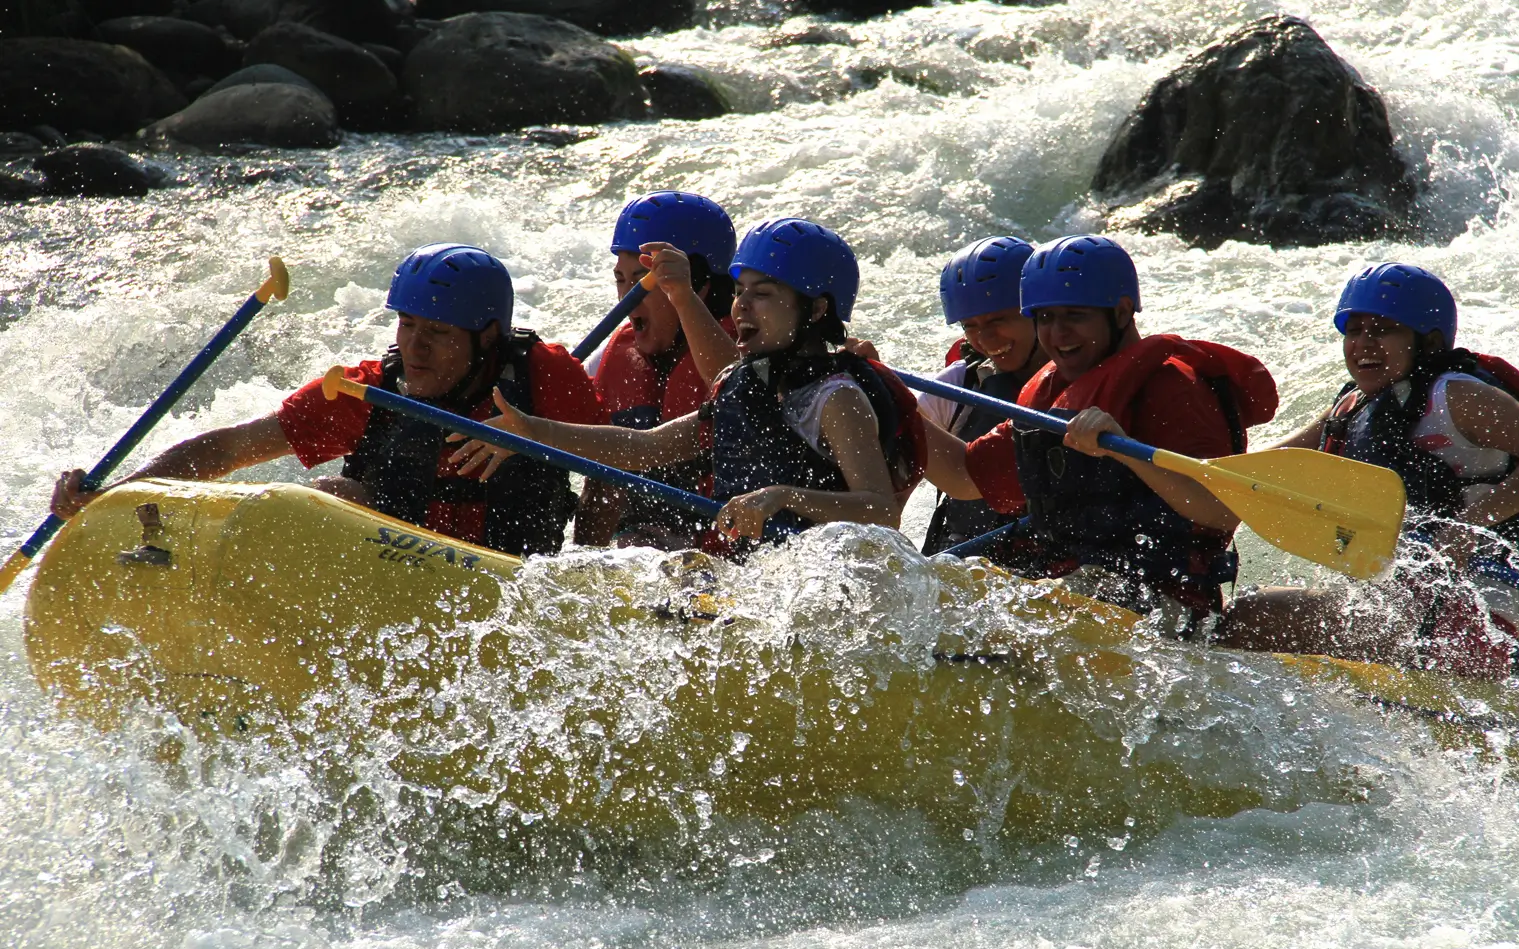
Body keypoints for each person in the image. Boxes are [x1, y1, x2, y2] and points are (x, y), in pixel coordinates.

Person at [52, 244, 607, 557]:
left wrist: (590, 565)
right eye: (407, 325)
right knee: (329, 497)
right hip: (394, 570)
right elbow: (228, 449)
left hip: (510, 577)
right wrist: (116, 495)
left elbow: (610, 471)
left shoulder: (544, 376)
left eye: (438, 333)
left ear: (486, 337)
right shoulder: (366, 388)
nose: (415, 348)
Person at [449, 217, 924, 550]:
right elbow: (644, 447)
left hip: (826, 585)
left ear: (816, 310)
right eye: (739, 291)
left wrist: (781, 496)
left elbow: (881, 511)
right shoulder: (741, 385)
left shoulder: (837, 398)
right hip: (761, 577)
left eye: (762, 294)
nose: (742, 306)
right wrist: (532, 431)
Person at [1213, 263, 1519, 677]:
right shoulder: (1351, 407)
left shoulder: (1455, 395)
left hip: (1472, 610)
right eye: (1354, 331)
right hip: (1391, 603)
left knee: (1252, 615)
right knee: (1243, 617)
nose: (1363, 344)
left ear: (1428, 342)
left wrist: (1469, 526)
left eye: (1382, 330)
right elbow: (1256, 471)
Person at [919, 234, 1278, 631]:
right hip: (1076, 587)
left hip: (1166, 602)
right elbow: (964, 477)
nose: (1058, 334)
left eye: (1075, 315)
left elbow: (1223, 510)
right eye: (1045, 318)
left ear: (1121, 312)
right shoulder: (1054, 391)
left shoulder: (1175, 387)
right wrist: (882, 392)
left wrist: (1125, 449)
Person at [575, 190, 739, 549]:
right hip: (637, 554)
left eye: (642, 282)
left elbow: (738, 389)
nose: (626, 298)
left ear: (700, 286)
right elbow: (599, 483)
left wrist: (682, 296)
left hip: (719, 559)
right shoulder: (609, 357)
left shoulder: (753, 356)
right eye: (621, 279)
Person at [917, 235, 1046, 555]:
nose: (985, 339)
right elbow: (889, 495)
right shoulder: (959, 384)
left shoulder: (1084, 380)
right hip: (965, 560)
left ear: (1036, 310)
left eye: (998, 320)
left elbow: (965, 476)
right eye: (969, 326)